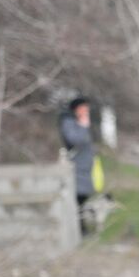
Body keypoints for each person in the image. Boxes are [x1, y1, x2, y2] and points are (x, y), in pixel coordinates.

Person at [59, 97, 95, 230]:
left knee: (82, 198)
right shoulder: (69, 122)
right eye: (84, 109)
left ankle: (81, 228)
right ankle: (79, 229)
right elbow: (74, 140)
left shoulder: (78, 122)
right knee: (78, 199)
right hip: (76, 167)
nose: (86, 112)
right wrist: (83, 126)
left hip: (84, 167)